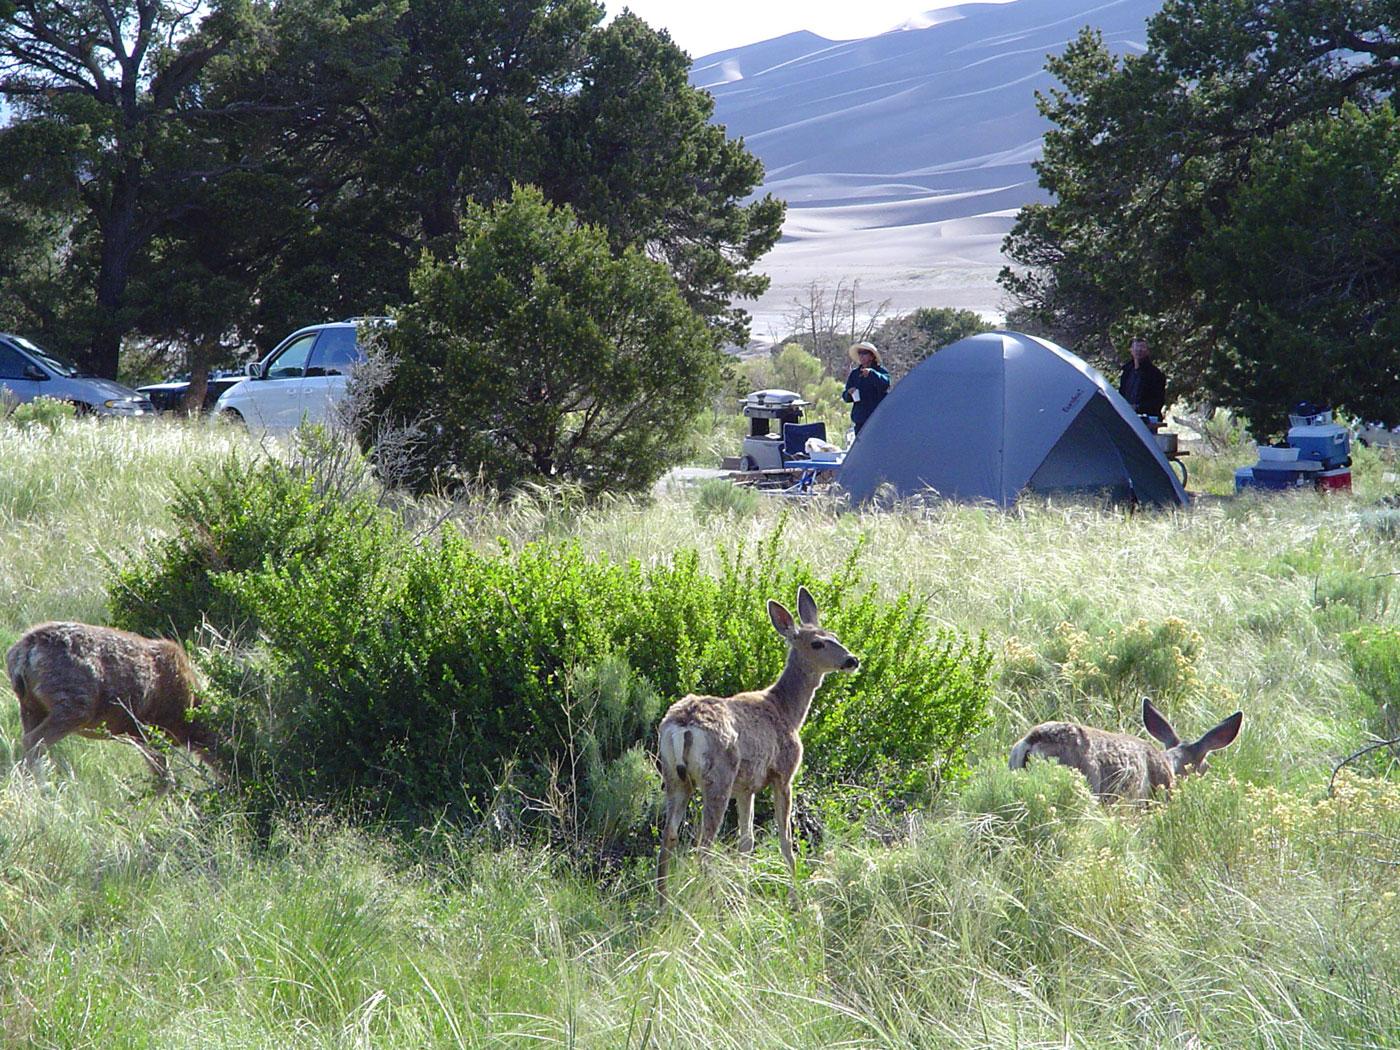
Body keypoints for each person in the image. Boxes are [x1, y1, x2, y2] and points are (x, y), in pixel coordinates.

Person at [842, 341, 891, 436]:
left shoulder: (881, 371)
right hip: (860, 421)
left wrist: (872, 374)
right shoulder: (854, 374)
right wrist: (849, 393)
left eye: (864, 353)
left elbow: (885, 384)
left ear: (872, 356)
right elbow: (845, 397)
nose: (861, 356)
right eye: (859, 353)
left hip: (878, 420)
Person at [1118, 336, 1167, 420]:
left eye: (1142, 347)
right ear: (1131, 350)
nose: (1139, 350)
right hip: (1126, 417)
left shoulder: (1155, 374)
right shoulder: (1126, 372)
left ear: (1147, 351)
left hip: (1147, 419)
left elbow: (1158, 401)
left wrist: (1137, 407)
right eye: (1136, 347)